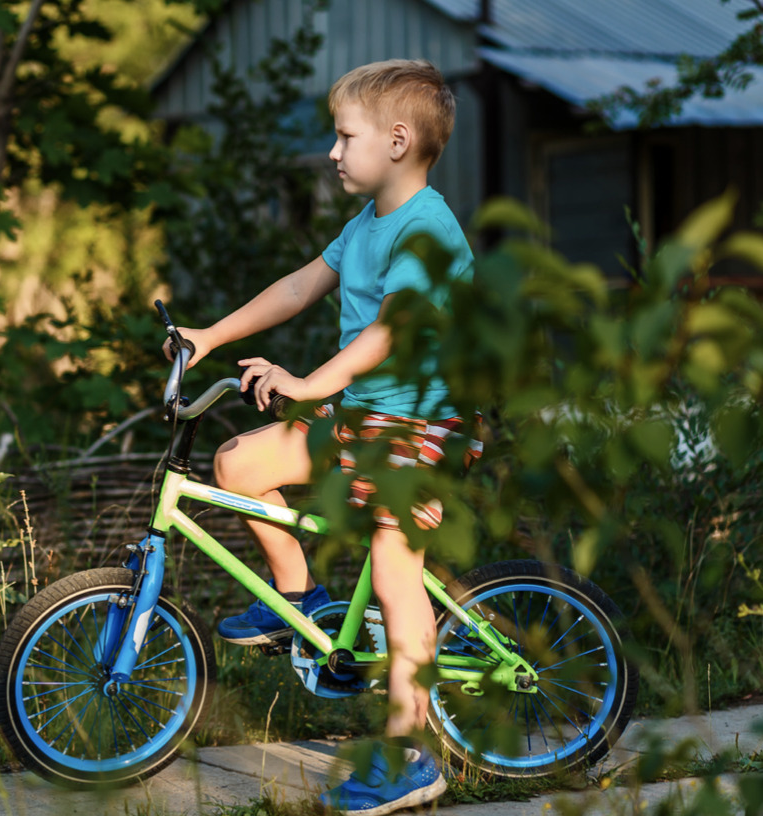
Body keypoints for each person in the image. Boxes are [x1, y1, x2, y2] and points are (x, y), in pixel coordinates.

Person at [162, 59, 479, 815]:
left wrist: (311, 383)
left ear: (398, 141)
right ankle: (298, 598)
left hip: (414, 427)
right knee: (237, 462)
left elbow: (392, 330)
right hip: (358, 416)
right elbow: (300, 287)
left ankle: (411, 755)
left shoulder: (428, 229)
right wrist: (210, 334)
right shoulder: (364, 225)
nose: (332, 153)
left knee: (397, 572)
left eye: (344, 137)